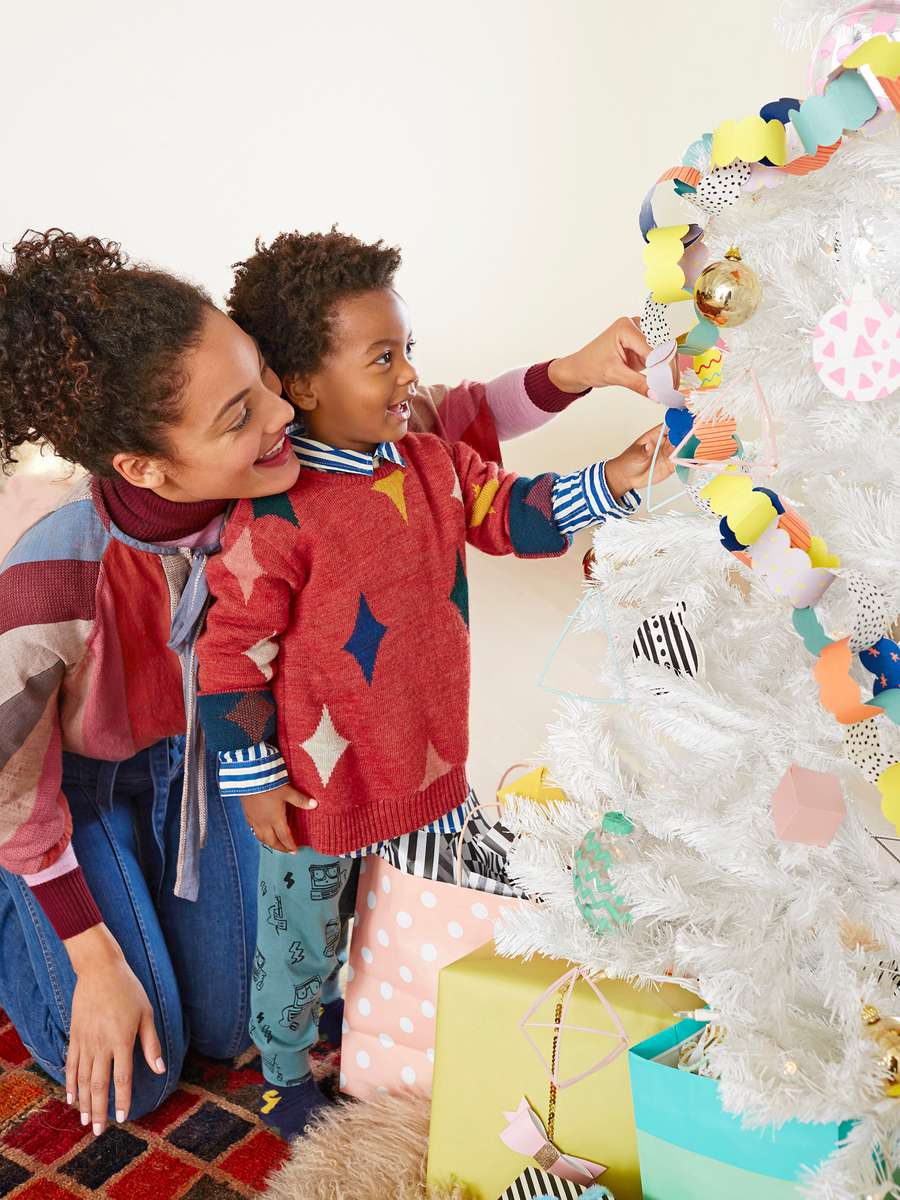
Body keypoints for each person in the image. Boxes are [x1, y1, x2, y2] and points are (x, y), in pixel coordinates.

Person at [0, 228, 663, 1136]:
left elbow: (451, 426)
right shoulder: (52, 576)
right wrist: (92, 959)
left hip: (199, 774)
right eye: (240, 413)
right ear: (147, 468)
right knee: (141, 1077)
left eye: (267, 378)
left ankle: (162, 925)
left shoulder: (307, 466)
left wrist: (578, 378)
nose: (279, 415)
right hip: (60, 802)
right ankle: (33, 919)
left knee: (232, 1028)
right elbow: (13, 788)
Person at [196, 228, 674, 1137]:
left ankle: (386, 1018)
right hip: (317, 788)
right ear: (299, 386)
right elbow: (233, 654)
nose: (409, 374)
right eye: (384, 358)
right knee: (300, 940)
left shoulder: (430, 464)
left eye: (409, 350)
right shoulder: (274, 515)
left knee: (430, 907)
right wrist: (253, 775)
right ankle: (286, 1069)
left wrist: (618, 478)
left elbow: (514, 516)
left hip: (428, 768)